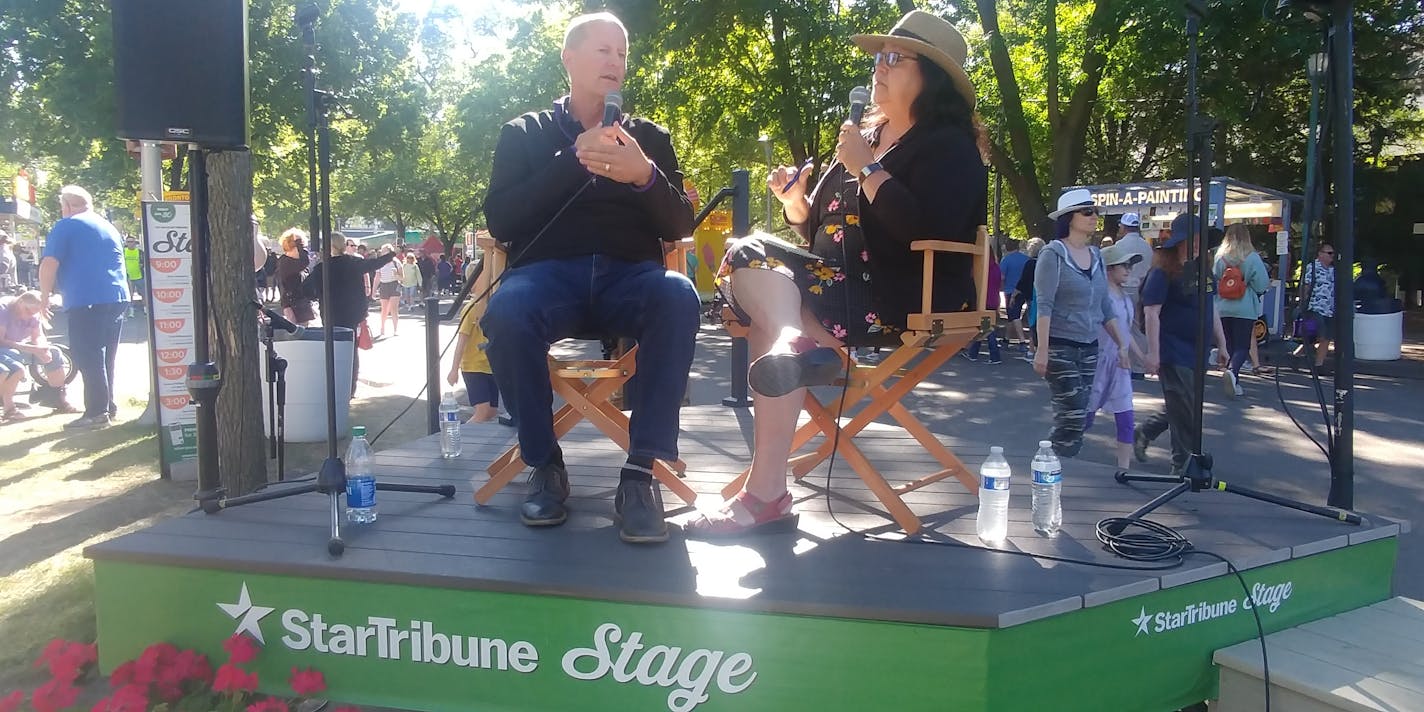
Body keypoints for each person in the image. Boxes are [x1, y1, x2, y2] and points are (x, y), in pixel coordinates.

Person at [685, 10, 987, 537]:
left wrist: (868, 168)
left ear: (932, 77)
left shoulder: (949, 146)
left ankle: (770, 488)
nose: (879, 67)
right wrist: (797, 203)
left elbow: (928, 228)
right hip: (840, 287)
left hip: (904, 293)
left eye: (895, 57)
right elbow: (826, 233)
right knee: (752, 257)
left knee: (757, 285)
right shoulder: (869, 135)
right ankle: (795, 349)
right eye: (878, 56)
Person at [480, 12, 698, 544]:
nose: (616, 63)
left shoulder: (648, 138)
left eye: (622, 54)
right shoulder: (523, 134)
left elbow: (679, 225)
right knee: (506, 311)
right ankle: (544, 463)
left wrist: (644, 177)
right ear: (569, 59)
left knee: (678, 293)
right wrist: (572, 161)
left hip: (631, 279)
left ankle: (641, 473)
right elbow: (501, 221)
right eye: (603, 51)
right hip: (547, 280)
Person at [1032, 189, 1129, 458]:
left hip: (1089, 347)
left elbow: (1104, 306)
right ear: (1069, 217)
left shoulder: (1097, 256)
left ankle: (1054, 468)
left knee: (1079, 413)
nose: (1094, 216)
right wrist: (1042, 349)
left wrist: (1122, 344)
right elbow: (1045, 303)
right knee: (1073, 412)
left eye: (1095, 211)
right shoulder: (1053, 254)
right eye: (1087, 212)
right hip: (1060, 346)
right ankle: (1047, 467)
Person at [1135, 213, 1229, 475]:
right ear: (1180, 241)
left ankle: (1146, 431)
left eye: (1202, 239)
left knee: (1186, 403)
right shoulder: (1163, 271)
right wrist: (1153, 352)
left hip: (1197, 349)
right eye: (1194, 238)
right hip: (1172, 347)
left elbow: (1212, 308)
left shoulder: (1202, 270)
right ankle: (1182, 464)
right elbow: (1152, 312)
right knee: (1185, 407)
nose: (1199, 244)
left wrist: (1221, 343)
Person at [39, 186, 129, 429]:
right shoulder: (108, 226)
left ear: (67, 205)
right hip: (117, 296)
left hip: (86, 298)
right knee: (106, 354)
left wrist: (44, 296)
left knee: (87, 354)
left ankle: (97, 412)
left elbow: (49, 263)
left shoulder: (66, 225)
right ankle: (108, 405)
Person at [302, 231, 397, 390]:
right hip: (352, 314)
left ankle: (334, 383)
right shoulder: (353, 262)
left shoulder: (322, 267)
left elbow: (306, 290)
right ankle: (350, 386)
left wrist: (318, 294)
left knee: (331, 349)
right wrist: (391, 254)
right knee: (351, 351)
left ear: (330, 246)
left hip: (331, 313)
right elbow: (374, 264)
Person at [1083, 245, 1145, 475]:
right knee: (1085, 415)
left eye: (1130, 265)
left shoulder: (1126, 298)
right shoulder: (1100, 296)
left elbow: (1126, 333)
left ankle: (1123, 469)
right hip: (1099, 361)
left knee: (1126, 415)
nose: (1128, 270)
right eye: (1124, 265)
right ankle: (1059, 452)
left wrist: (1142, 357)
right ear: (1109, 269)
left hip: (1120, 364)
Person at [0, 291, 75, 420]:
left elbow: (38, 335)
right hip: (4, 347)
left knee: (54, 353)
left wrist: (42, 348)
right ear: (21, 302)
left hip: (19, 345)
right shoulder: (4, 309)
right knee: (14, 355)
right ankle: (9, 406)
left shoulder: (33, 312)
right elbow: (1, 340)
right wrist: (32, 348)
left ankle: (56, 398)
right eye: (28, 312)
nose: (31, 316)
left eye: (35, 313)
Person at [1213, 224, 1269, 397]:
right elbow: (1261, 284)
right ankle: (1233, 372)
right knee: (1242, 346)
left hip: (1222, 307)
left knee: (1228, 344)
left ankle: (1233, 378)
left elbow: (1214, 278)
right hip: (1244, 308)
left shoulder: (1220, 257)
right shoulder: (1252, 258)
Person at [447, 263, 499, 424]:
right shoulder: (471, 309)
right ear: (474, 282)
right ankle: (459, 436)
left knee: (491, 411)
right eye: (487, 276)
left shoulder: (493, 307)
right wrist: (454, 369)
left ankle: (468, 436)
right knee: (482, 411)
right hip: (473, 367)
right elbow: (461, 341)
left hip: (489, 367)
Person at [1115, 212, 1153, 374]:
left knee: (1120, 325)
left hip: (1124, 288)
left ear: (1123, 227)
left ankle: (1124, 362)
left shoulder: (1119, 246)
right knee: (1138, 327)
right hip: (1143, 288)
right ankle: (1138, 366)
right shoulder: (1147, 247)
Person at [1300, 243, 1335, 369]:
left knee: (1315, 337)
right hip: (1315, 307)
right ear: (1320, 254)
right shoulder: (1312, 268)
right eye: (1329, 253)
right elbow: (1306, 286)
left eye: (1333, 253)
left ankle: (1296, 357)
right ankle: (1318, 365)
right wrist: (1303, 303)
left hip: (1329, 310)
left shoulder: (1333, 271)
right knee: (1323, 336)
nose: (1332, 256)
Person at [964, 251, 1001, 363]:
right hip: (993, 300)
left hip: (983, 300)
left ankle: (994, 356)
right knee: (984, 328)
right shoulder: (996, 268)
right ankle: (973, 353)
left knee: (987, 329)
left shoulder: (981, 268)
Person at [276, 228, 315, 326]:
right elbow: (304, 261)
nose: (304, 251)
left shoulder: (290, 263)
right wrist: (298, 242)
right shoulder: (286, 263)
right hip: (293, 304)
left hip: (299, 302)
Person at [1015, 237, 1045, 361]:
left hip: (1032, 296)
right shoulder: (1045, 263)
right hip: (1043, 296)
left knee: (1033, 323)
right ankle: (1035, 349)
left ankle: (1032, 350)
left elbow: (1023, 281)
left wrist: (1014, 295)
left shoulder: (1030, 263)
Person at [999, 238, 1028, 347]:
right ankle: (1006, 338)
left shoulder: (1006, 260)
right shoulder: (1026, 259)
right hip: (1023, 290)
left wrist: (1000, 288)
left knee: (1014, 315)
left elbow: (1001, 276)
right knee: (1012, 315)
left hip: (1010, 290)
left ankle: (1022, 341)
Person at [373, 244, 401, 337]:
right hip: (384, 285)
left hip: (394, 284)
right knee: (384, 308)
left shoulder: (396, 262)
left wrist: (396, 275)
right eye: (382, 250)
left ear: (389, 252)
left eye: (384, 250)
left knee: (393, 308)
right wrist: (373, 290)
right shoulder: (380, 263)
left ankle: (396, 329)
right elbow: (377, 277)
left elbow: (402, 277)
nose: (382, 252)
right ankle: (382, 327)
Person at [122, 235, 145, 316]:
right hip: (128, 277)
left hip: (139, 276)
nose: (130, 243)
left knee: (143, 293)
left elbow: (144, 262)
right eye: (128, 242)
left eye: (132, 242)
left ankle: (145, 309)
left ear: (135, 243)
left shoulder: (139, 252)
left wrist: (142, 265)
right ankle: (131, 311)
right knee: (130, 294)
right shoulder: (123, 252)